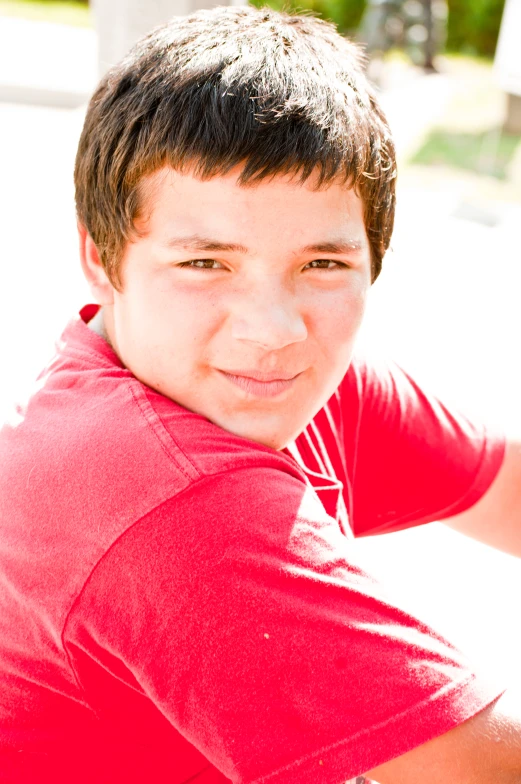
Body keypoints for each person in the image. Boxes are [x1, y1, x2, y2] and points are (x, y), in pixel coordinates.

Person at [0, 6, 520, 783]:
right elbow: (484, 769)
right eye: (205, 264)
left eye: (322, 265)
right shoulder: (170, 496)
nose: (273, 329)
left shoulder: (276, 381)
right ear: (100, 257)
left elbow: (506, 485)